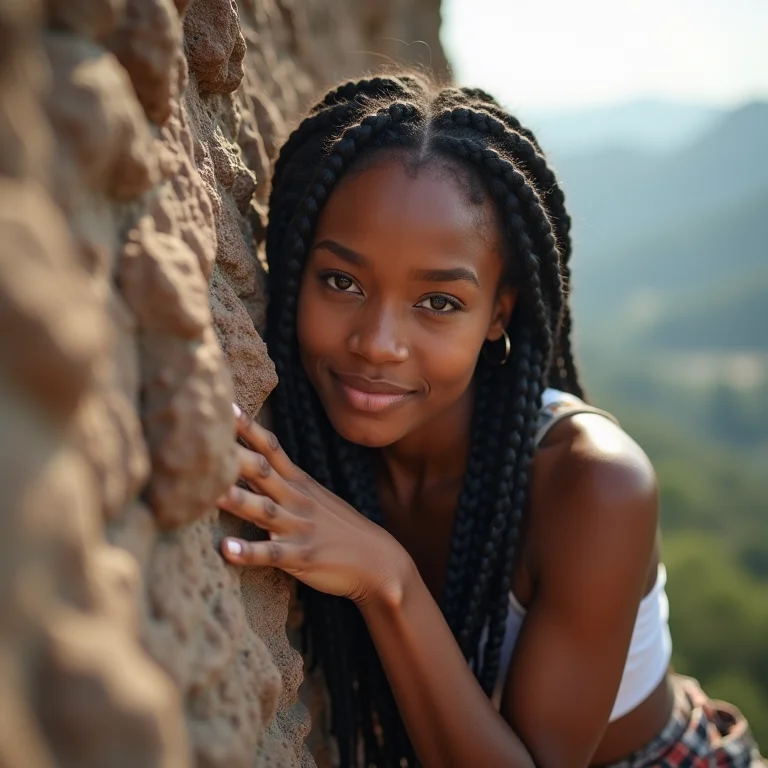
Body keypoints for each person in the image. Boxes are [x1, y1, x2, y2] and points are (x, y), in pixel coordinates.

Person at [215, 74, 764, 768]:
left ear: (499, 312)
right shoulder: (307, 429)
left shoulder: (596, 485)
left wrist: (388, 580)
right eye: (341, 282)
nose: (378, 343)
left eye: (439, 302)